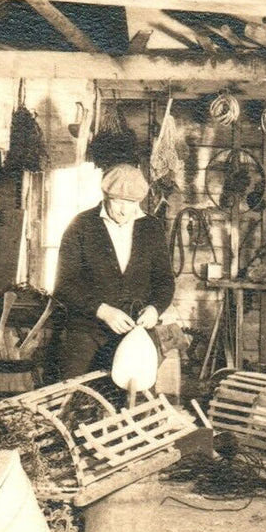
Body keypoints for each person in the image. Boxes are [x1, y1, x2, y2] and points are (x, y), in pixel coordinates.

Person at [49, 164, 175, 382]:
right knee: (74, 397)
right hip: (86, 332)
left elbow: (165, 281)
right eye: (118, 201)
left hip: (134, 333)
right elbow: (64, 285)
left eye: (132, 203)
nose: (124, 210)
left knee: (134, 400)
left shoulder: (151, 228)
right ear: (105, 196)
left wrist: (155, 309)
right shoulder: (81, 226)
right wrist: (102, 310)